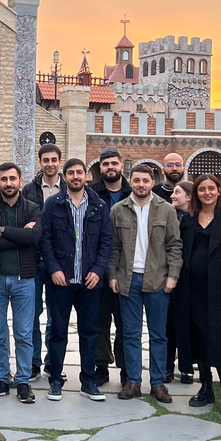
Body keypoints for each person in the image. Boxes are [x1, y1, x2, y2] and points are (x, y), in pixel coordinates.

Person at [40, 158, 113, 402]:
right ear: (65, 176)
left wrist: (99, 270)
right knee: (58, 332)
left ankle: (88, 381)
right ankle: (55, 380)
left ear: (86, 176)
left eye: (79, 172)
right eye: (70, 173)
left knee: (89, 332)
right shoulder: (53, 204)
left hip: (90, 281)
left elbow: (106, 242)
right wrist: (54, 269)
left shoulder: (99, 206)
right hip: (61, 281)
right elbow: (45, 240)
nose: (75, 176)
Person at [109, 165, 182, 404]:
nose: (141, 184)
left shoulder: (166, 209)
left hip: (157, 279)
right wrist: (112, 275)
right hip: (127, 279)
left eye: (145, 181)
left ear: (152, 182)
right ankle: (133, 381)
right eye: (137, 180)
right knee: (130, 334)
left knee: (158, 335)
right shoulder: (118, 210)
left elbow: (174, 245)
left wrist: (172, 276)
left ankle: (158, 383)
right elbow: (113, 247)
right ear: (130, 181)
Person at [176, 174, 221, 416]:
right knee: (199, 337)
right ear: (196, 193)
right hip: (192, 289)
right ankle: (205, 387)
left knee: (220, 339)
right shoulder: (189, 219)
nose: (207, 193)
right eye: (202, 189)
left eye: (211, 188)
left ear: (218, 191)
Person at [0, 163, 42, 403]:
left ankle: (23, 381)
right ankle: (2, 379)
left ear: (20, 181)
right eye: (4, 179)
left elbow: (34, 237)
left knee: (24, 332)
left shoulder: (32, 208)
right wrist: (19, 235)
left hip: (24, 279)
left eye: (12, 178)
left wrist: (3, 230)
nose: (8, 183)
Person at [20, 144, 64, 381]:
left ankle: (52, 362)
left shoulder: (67, 188)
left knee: (56, 315)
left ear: (59, 161)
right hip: (34, 260)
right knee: (32, 314)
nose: (50, 164)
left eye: (53, 160)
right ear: (40, 162)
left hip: (59, 261)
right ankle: (33, 362)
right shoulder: (29, 190)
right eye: (46, 160)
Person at [89, 147, 130, 386]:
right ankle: (101, 367)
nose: (110, 167)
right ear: (100, 167)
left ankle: (126, 369)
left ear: (121, 165)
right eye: (106, 164)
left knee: (125, 323)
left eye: (114, 163)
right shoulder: (92, 194)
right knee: (99, 321)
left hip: (126, 268)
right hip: (98, 269)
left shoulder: (131, 193)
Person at [165, 180, 195, 384]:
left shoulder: (196, 219)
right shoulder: (169, 216)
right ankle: (167, 366)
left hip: (189, 278)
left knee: (187, 324)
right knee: (168, 324)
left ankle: (186, 367)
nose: (172, 196)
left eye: (177, 192)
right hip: (168, 275)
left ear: (189, 196)